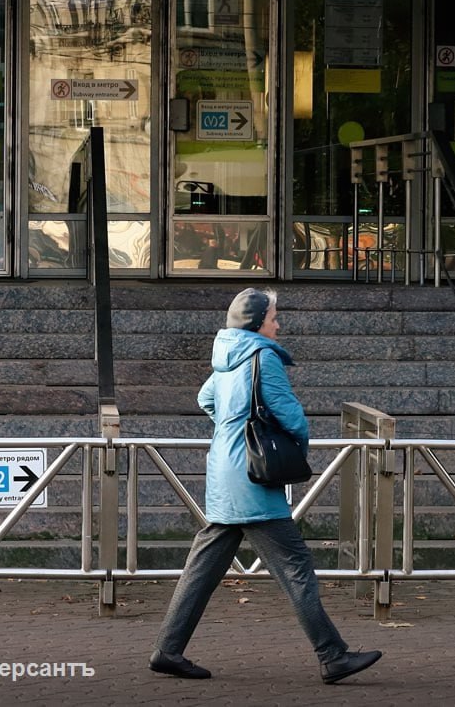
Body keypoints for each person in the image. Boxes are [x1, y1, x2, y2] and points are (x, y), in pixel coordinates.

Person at [149, 287, 382, 684]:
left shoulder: (225, 355)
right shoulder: (262, 355)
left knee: (201, 570)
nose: (278, 323)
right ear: (257, 322)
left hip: (224, 472)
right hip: (253, 481)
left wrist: (231, 430)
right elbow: (290, 415)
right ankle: (333, 656)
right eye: (274, 317)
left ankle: (167, 651)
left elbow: (206, 399)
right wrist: (292, 447)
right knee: (297, 569)